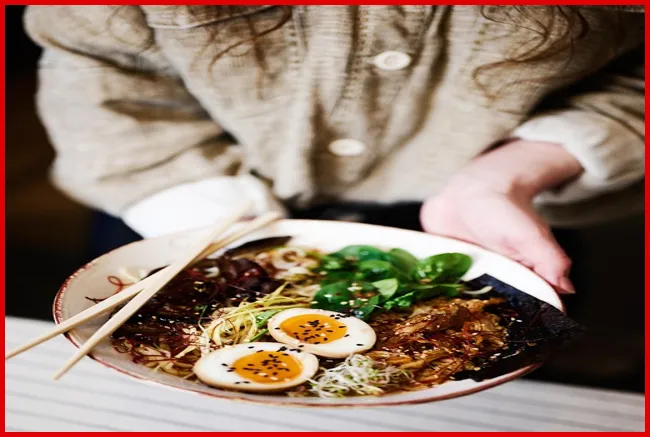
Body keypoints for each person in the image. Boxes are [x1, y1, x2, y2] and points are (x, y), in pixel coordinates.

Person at [25, 6, 644, 295]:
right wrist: (207, 218)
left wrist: (510, 174)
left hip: (486, 214)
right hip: (182, 200)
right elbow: (97, 65)